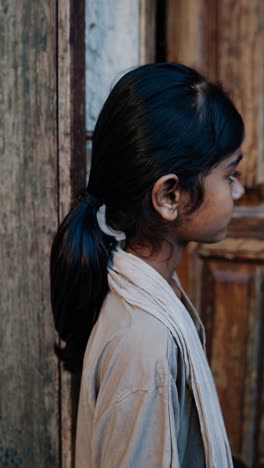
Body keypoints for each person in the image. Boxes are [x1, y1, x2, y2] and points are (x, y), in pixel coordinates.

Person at [50, 63, 245, 467]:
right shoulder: (143, 345)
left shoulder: (152, 294)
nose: (239, 190)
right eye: (230, 175)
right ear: (170, 196)